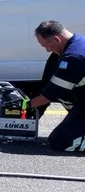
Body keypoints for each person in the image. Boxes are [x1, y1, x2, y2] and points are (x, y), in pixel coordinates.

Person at [30, 20, 85, 151]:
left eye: (46, 46)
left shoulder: (74, 56)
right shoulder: (77, 43)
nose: (47, 50)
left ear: (56, 39)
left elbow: (53, 92)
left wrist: (26, 105)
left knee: (60, 141)